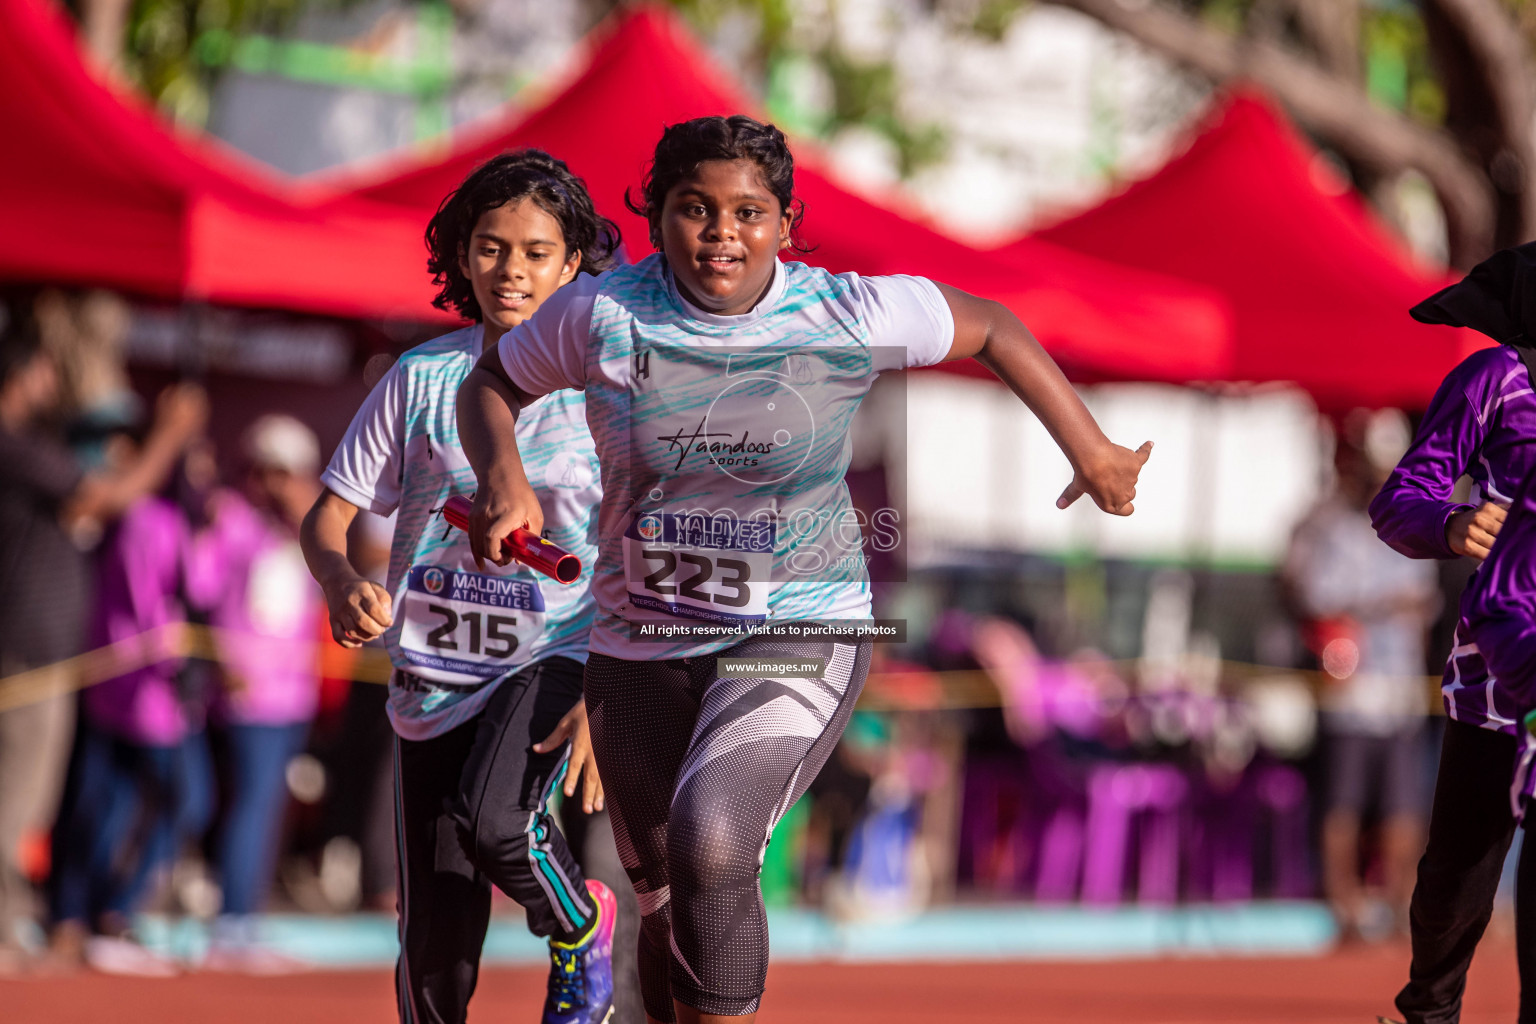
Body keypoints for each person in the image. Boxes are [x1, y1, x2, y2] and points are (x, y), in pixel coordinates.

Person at [456, 115, 1150, 1024]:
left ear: (784, 223)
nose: (720, 234)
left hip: (799, 628)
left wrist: (1089, 448)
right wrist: (504, 481)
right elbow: (491, 385)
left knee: (714, 841)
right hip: (639, 646)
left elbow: (992, 327)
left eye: (749, 213)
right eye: (693, 209)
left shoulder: (842, 312)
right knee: (667, 905)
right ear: (656, 215)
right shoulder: (602, 315)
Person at [300, 150, 625, 1024]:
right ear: (460, 254)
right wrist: (339, 582)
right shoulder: (421, 380)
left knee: (498, 825)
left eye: (534, 251)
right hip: (429, 672)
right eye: (489, 247)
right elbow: (325, 519)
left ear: (573, 264)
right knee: (435, 945)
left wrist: (607, 686)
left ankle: (578, 923)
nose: (510, 271)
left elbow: (639, 547)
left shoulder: (607, 392)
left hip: (551, 653)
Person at [0, 309, 205, 973]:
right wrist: (170, 436)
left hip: (53, 654)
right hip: (29, 650)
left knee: (38, 794)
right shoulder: (15, 445)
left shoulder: (28, 444)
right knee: (17, 790)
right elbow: (106, 497)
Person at [1373, 240, 1536, 1024]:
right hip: (1499, 679)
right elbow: (1401, 499)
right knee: (1458, 881)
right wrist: (1453, 524)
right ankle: (1429, 1012)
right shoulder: (1494, 381)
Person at [1285, 418, 1437, 941]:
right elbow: (1316, 598)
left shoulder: (1417, 522)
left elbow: (1421, 606)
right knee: (1343, 801)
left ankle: (1398, 906)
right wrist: (1380, 607)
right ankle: (1344, 907)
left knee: (1403, 804)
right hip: (1349, 691)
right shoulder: (1330, 527)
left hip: (1397, 690)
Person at [188, 414, 324, 970]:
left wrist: (300, 507)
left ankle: (246, 918)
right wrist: (226, 659)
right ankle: (233, 922)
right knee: (250, 804)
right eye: (269, 471)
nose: (277, 483)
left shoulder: (304, 528)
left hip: (294, 695)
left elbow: (329, 570)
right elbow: (205, 591)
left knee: (268, 806)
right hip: (249, 697)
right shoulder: (233, 521)